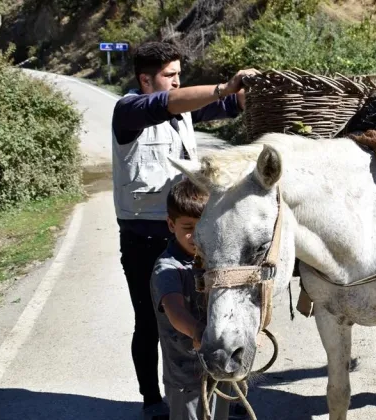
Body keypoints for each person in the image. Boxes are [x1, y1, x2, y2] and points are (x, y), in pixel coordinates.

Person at [111, 40, 258, 419]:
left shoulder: (183, 110)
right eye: (169, 75)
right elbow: (170, 103)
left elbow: (228, 105)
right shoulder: (128, 111)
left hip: (193, 232)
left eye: (180, 75)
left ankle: (228, 392)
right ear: (145, 80)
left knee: (217, 311)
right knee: (150, 320)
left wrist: (251, 91)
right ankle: (152, 401)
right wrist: (224, 86)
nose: (177, 82)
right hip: (144, 236)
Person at [150, 178, 242, 420]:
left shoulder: (216, 259)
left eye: (203, 226)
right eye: (188, 228)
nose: (196, 235)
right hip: (186, 376)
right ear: (171, 224)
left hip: (220, 364)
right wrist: (199, 333)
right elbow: (175, 311)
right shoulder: (167, 269)